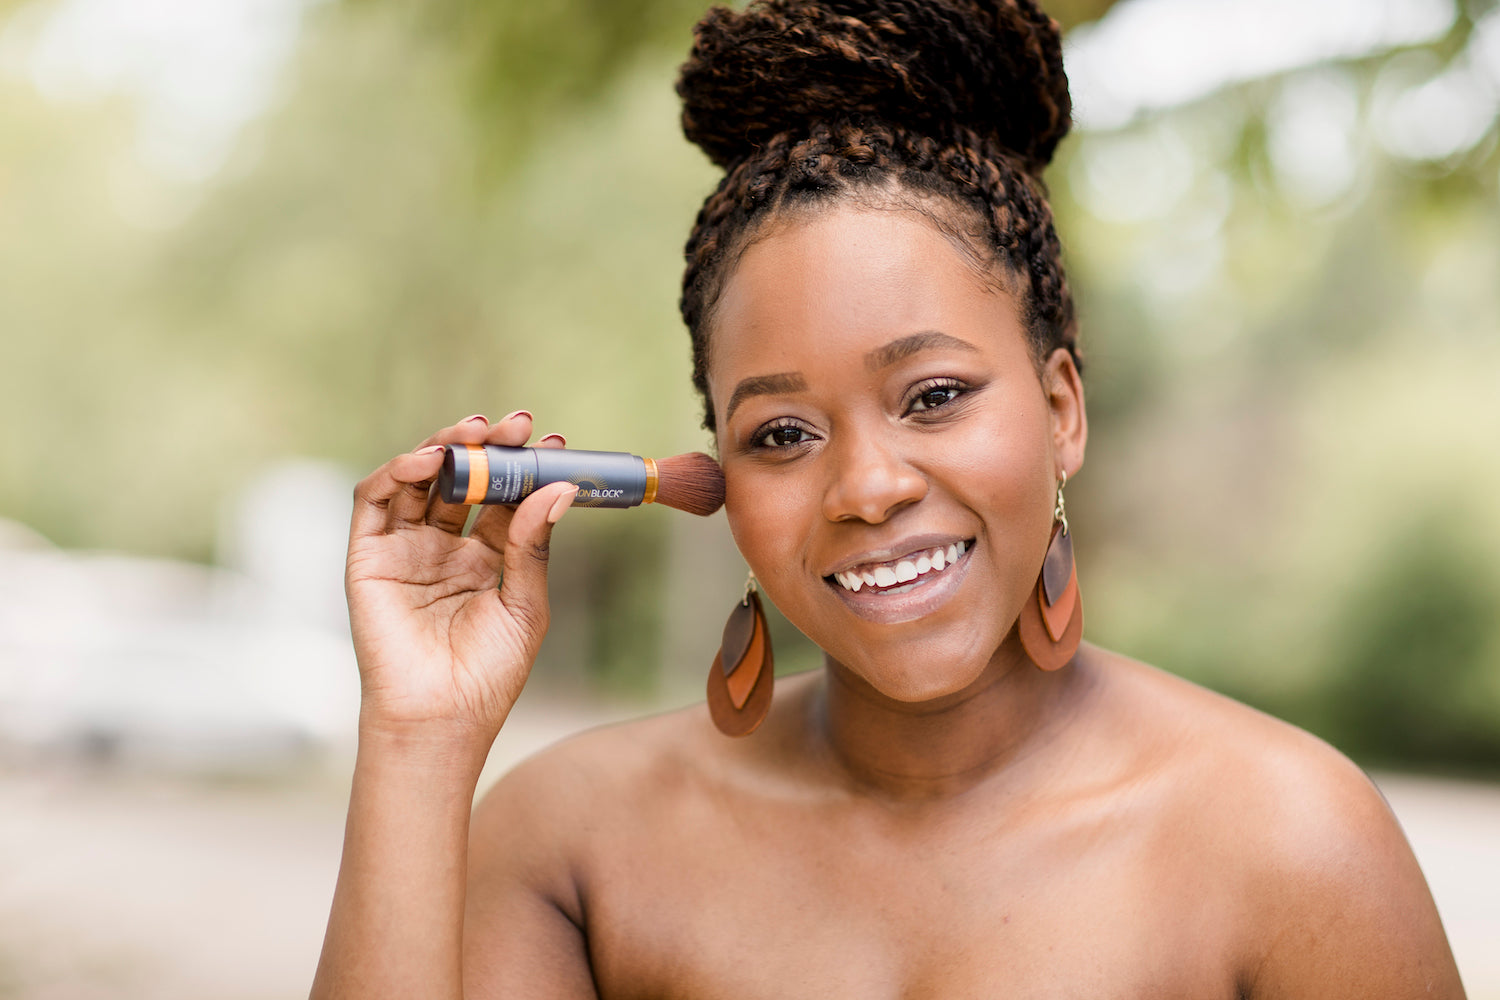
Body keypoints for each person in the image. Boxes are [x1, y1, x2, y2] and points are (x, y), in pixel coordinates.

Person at [311, 1, 1466, 996]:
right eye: (782, 434)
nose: (866, 487)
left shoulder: (1291, 844)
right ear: (721, 476)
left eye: (935, 396)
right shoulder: (572, 846)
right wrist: (419, 737)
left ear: (1061, 408)